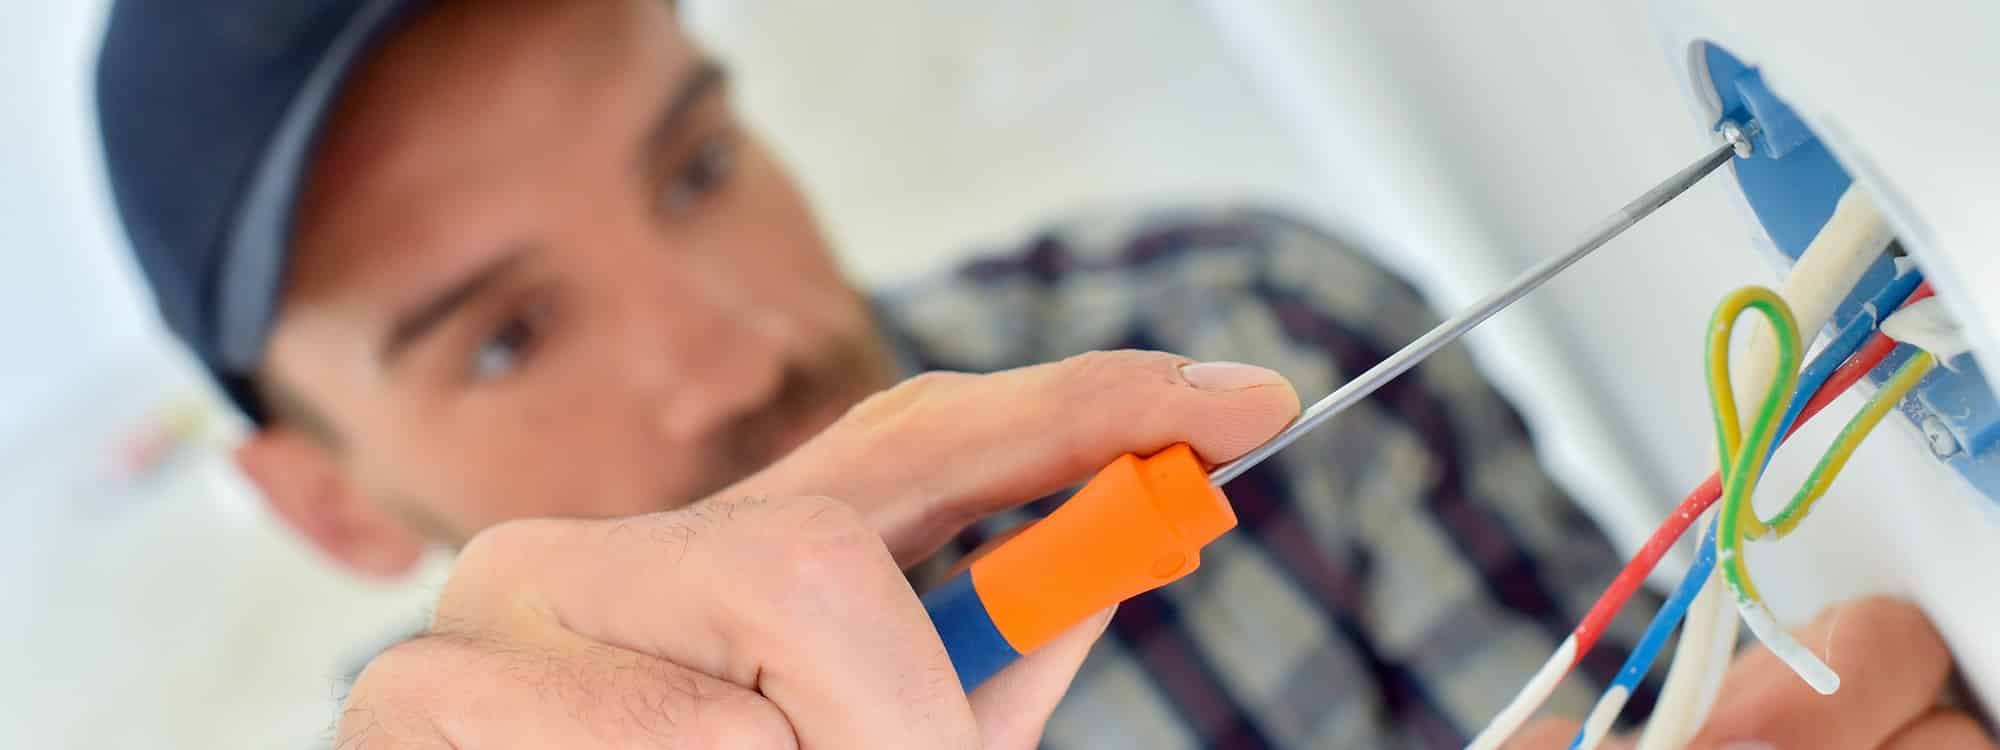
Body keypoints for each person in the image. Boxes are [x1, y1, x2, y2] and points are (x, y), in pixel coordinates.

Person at [94, 0, 1992, 747]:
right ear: (325, 495)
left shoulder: (1250, 318)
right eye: (505, 335)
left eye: (691, 167)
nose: (731, 345)